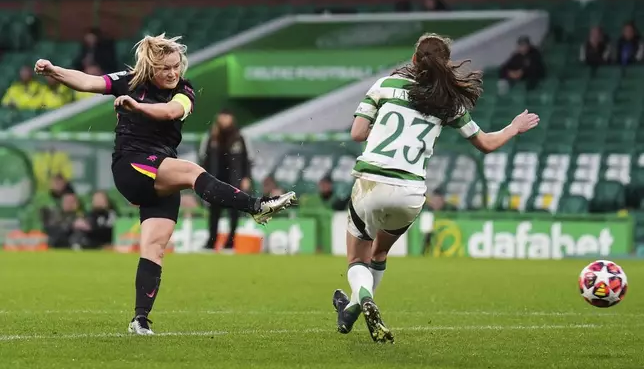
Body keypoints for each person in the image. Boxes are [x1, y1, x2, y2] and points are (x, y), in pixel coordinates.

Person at [34, 33, 296, 335]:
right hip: (131, 166)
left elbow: (171, 111)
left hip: (161, 173)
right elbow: (89, 82)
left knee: (154, 248)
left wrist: (137, 108)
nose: (173, 73)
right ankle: (255, 206)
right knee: (189, 171)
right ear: (150, 68)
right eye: (165, 68)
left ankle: (140, 319)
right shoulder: (130, 81)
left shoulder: (184, 89)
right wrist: (54, 71)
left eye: (176, 66)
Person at [331, 33, 539, 343]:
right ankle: (350, 309)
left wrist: (382, 127)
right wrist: (512, 128)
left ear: (414, 60)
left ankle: (363, 297)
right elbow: (485, 144)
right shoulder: (449, 102)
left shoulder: (386, 86)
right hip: (410, 193)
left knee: (357, 260)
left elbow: (358, 132)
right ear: (446, 65)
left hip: (371, 182)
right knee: (380, 253)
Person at [201, 109, 252, 251]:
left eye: (227, 117)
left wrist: (246, 177)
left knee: (234, 213)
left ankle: (230, 243)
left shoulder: (239, 137)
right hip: (215, 180)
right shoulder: (211, 137)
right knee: (214, 213)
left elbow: (247, 160)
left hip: (234, 180)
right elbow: (204, 159)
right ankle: (211, 243)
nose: (224, 120)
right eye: (222, 117)